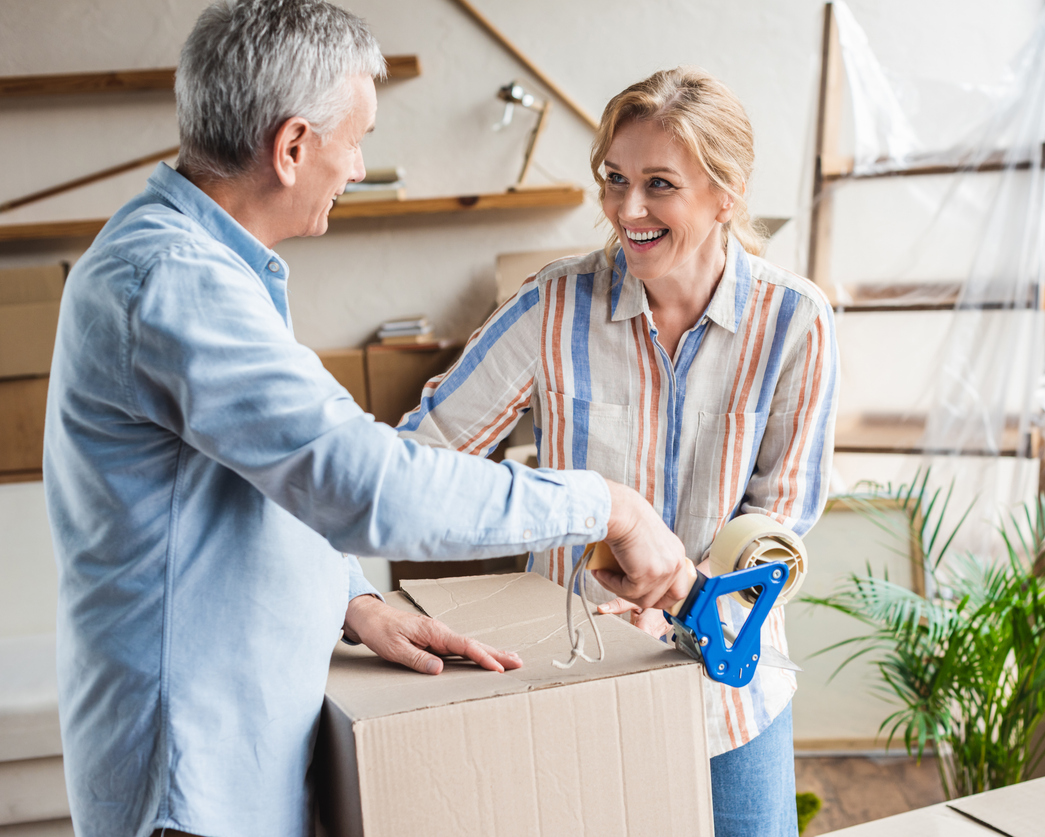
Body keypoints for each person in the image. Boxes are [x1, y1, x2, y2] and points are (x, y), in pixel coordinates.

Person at [41, 3, 691, 836]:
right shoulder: (174, 284)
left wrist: (352, 598)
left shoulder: (204, 267)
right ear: (292, 147)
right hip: (194, 790)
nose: (355, 168)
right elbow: (364, 482)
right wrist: (610, 504)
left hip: (231, 767)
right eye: (356, 139)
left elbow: (271, 474)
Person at [398, 67, 839, 837]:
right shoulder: (550, 307)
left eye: (658, 184)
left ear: (724, 194)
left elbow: (782, 521)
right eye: (614, 179)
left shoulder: (794, 322)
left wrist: (685, 602)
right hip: (575, 681)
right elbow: (419, 461)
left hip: (731, 693)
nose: (626, 210)